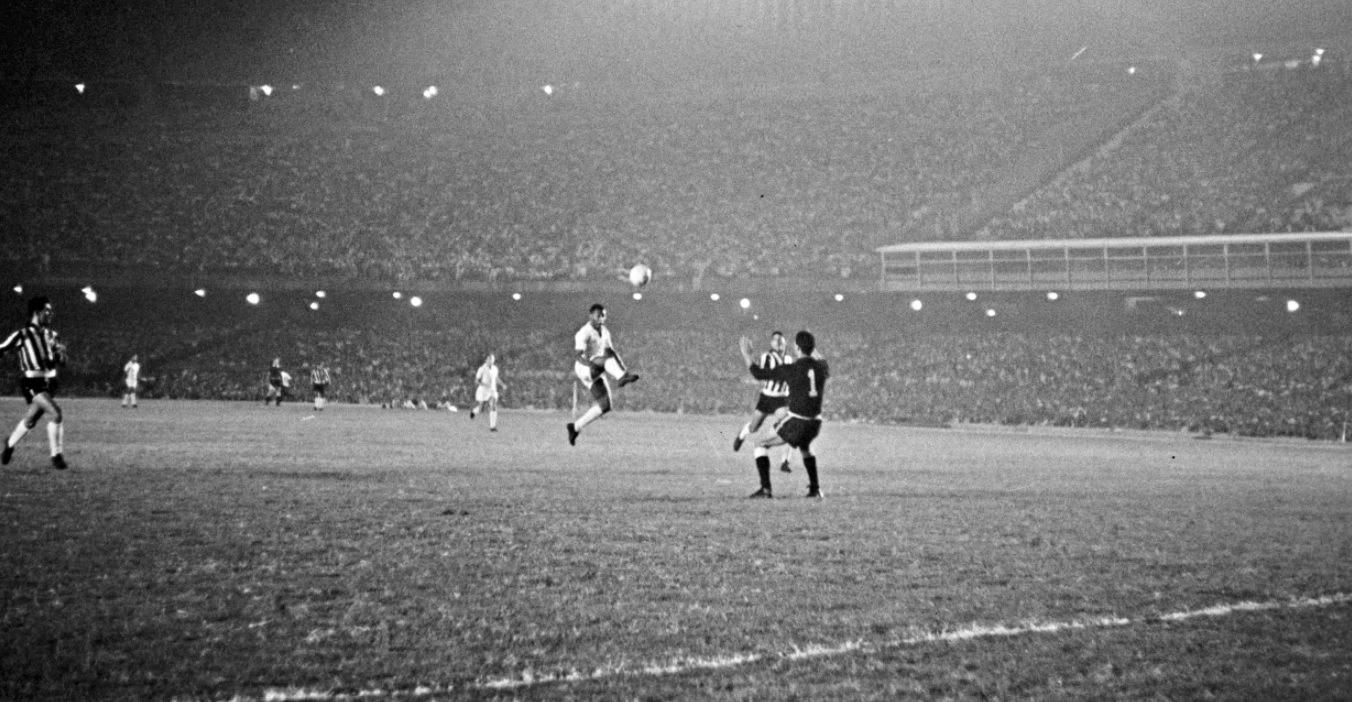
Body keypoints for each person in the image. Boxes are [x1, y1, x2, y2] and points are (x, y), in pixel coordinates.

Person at [738, 330, 829, 499]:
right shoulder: (822, 367)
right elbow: (820, 359)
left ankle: (765, 489)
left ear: (796, 348)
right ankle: (815, 489)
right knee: (805, 447)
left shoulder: (791, 369)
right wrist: (811, 348)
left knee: (760, 444)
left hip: (797, 422)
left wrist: (747, 355)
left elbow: (759, 374)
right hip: (816, 423)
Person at [1, 295, 69, 470]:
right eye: (47, 310)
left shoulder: (52, 335)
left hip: (51, 382)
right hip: (32, 383)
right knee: (56, 413)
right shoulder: (22, 335)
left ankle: (9, 444)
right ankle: (56, 456)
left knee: (30, 420)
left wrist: (62, 354)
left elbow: (63, 362)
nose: (51, 314)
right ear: (37, 313)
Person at [566, 303, 640, 446]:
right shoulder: (584, 332)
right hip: (584, 367)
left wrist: (624, 370)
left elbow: (612, 352)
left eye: (603, 315)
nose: (601, 318)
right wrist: (591, 365)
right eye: (598, 315)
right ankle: (620, 378)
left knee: (606, 405)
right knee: (604, 359)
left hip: (597, 368)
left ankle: (575, 427)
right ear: (591, 315)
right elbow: (578, 356)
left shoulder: (605, 332)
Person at [732, 330, 795, 473]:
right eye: (775, 339)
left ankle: (785, 461)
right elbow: (760, 374)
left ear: (785, 343)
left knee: (790, 426)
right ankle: (741, 435)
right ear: (771, 343)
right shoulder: (767, 357)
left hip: (781, 399)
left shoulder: (789, 360)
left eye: (781, 339)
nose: (778, 341)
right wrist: (748, 356)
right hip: (767, 398)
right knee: (754, 428)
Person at [469, 353, 508, 432]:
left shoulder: (495, 368)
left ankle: (492, 427)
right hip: (483, 391)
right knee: (481, 409)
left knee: (493, 405)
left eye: (492, 359)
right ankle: (473, 412)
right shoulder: (482, 369)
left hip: (492, 390)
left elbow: (496, 378)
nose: (491, 360)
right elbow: (476, 381)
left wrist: (502, 384)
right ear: (486, 360)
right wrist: (484, 384)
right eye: (489, 359)